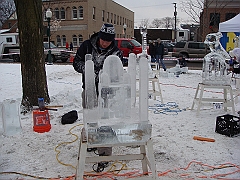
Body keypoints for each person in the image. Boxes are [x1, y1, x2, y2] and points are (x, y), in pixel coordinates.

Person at [73, 23, 123, 169]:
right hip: (88, 89)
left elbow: (117, 72)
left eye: (108, 40)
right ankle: (93, 141)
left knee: (105, 122)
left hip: (107, 92)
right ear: (99, 37)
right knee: (90, 118)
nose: (105, 43)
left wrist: (104, 75)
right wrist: (88, 71)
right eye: (103, 40)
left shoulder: (116, 52)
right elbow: (76, 62)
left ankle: (105, 153)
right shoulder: (87, 46)